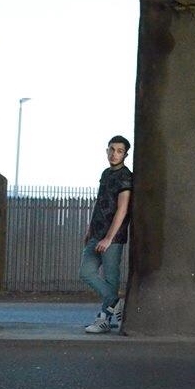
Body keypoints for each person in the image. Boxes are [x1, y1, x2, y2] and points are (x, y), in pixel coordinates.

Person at [81, 135, 133, 334]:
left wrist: (109, 238)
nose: (114, 154)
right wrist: (90, 228)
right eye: (111, 149)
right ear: (107, 150)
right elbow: (99, 202)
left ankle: (103, 320)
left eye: (119, 151)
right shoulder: (105, 173)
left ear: (125, 155)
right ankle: (116, 303)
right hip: (96, 233)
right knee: (86, 272)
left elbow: (122, 209)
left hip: (113, 238)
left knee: (111, 278)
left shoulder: (125, 176)